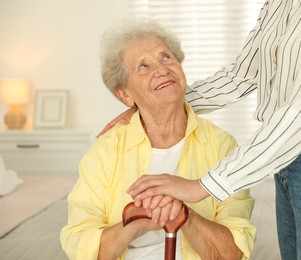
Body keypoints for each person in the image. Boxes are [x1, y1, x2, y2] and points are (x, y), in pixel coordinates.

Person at [100, 1, 301, 259]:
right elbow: (243, 73)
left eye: (165, 59)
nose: (160, 68)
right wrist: (159, 102)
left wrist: (202, 185)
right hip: (292, 157)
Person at [60, 19, 256, 260]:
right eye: (143, 66)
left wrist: (183, 215)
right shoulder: (105, 151)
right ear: (124, 94)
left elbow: (234, 253)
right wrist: (136, 221)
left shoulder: (221, 145)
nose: (162, 69)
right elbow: (81, 247)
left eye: (166, 58)